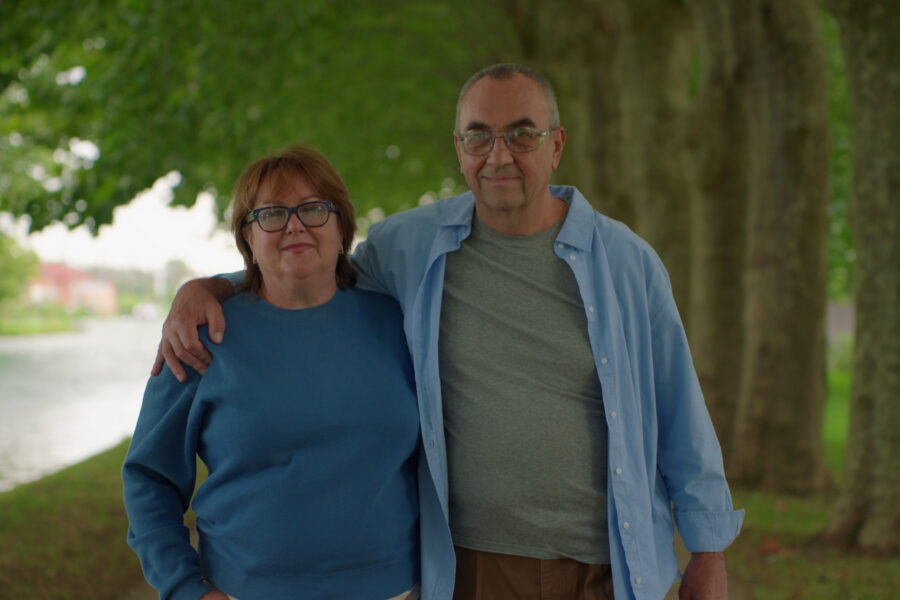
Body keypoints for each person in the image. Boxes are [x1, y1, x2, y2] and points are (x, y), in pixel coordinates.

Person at [155, 64, 744, 600]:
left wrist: (708, 555)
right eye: (478, 137)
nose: (499, 156)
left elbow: (680, 413)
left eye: (522, 134)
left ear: (556, 144)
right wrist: (208, 288)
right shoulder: (408, 248)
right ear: (459, 150)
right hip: (471, 568)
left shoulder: (626, 262)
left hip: (607, 565)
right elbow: (304, 264)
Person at [123, 146, 454, 600]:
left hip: (395, 589)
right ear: (248, 240)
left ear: (342, 229)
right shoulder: (200, 336)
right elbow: (148, 477)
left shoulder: (400, 322)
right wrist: (185, 588)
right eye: (272, 214)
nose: (295, 224)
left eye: (315, 209)